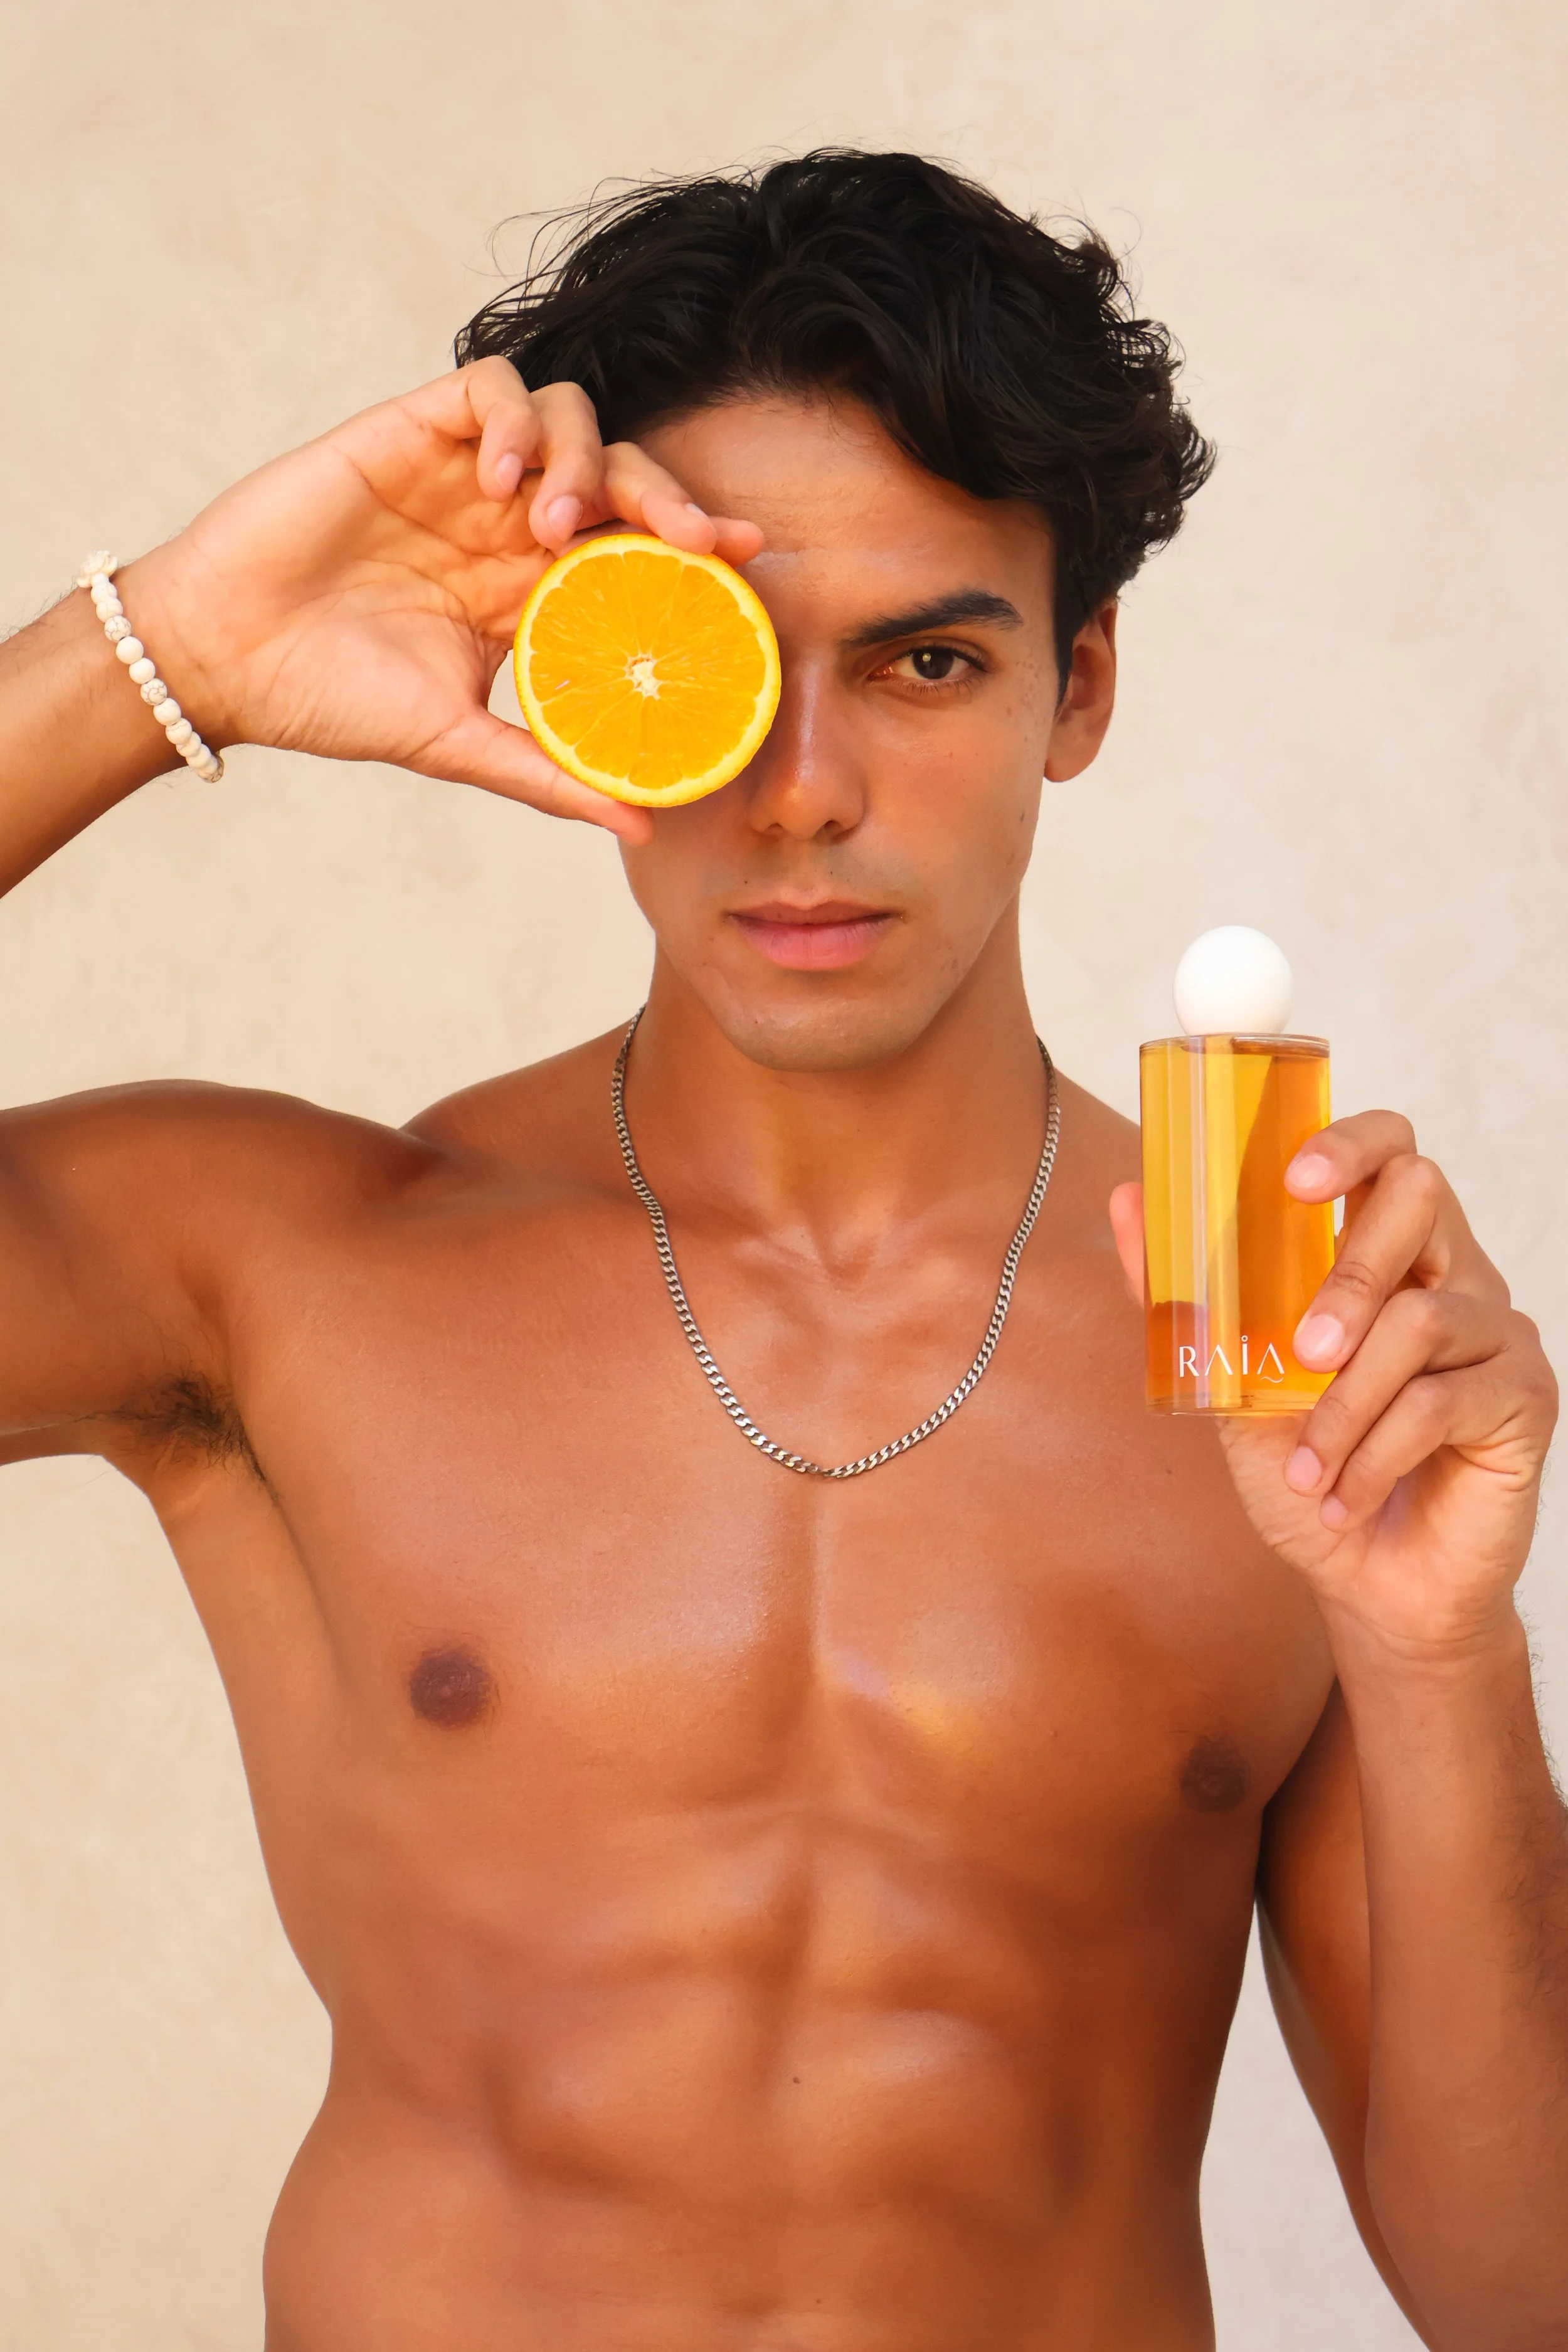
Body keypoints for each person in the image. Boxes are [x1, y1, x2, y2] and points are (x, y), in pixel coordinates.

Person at [3, 149, 1564, 2352]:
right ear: (572, 672)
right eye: (722, 663)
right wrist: (166, 650)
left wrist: (1436, 1653)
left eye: (925, 659)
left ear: (1079, 683)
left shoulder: (1286, 1375)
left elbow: (1523, 2302)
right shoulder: (281, 1263)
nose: (806, 790)